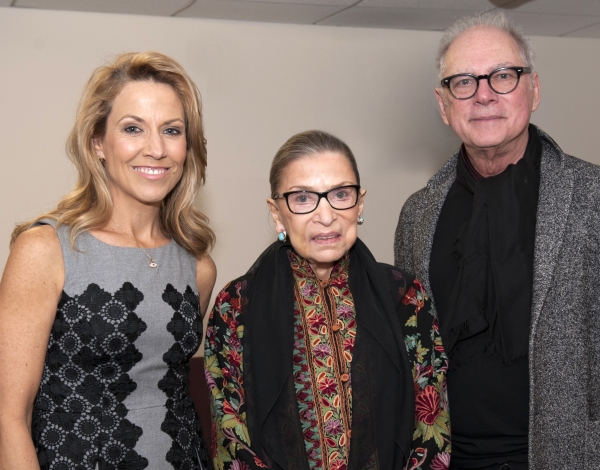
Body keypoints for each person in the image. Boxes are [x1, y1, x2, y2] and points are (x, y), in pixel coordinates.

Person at [394, 10, 600, 470]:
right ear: (444, 104)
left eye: (503, 76)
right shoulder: (417, 216)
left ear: (535, 89)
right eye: (464, 82)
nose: (484, 95)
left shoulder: (592, 198)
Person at [0, 52, 216, 470]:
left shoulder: (197, 266)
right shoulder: (44, 249)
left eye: (171, 131)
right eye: (133, 128)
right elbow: (8, 417)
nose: (155, 149)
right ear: (98, 142)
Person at [205, 130, 450, 470]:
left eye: (340, 194)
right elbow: (232, 439)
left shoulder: (405, 297)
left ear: (359, 204)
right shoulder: (236, 307)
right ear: (277, 213)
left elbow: (431, 426)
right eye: (303, 198)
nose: (326, 215)